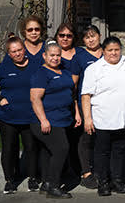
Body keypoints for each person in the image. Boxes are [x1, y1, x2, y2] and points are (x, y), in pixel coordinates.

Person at [0, 36, 41, 194]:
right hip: (8, 117)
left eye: (20, 50)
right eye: (13, 51)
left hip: (30, 116)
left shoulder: (36, 65)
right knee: (9, 149)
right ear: (9, 53)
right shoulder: (2, 68)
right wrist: (0, 99)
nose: (18, 54)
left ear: (24, 49)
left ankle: (33, 179)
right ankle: (10, 180)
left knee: (31, 148)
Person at [80, 36, 125, 196]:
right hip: (102, 118)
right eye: (110, 50)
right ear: (103, 51)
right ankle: (103, 182)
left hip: (122, 117)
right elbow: (86, 95)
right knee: (102, 152)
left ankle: (116, 180)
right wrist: (87, 118)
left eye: (117, 50)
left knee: (119, 150)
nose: (114, 53)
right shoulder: (94, 69)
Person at [30, 41, 78, 199]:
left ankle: (46, 184)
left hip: (63, 119)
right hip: (46, 121)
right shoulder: (41, 74)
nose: (55, 58)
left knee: (49, 152)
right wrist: (44, 120)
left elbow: (72, 94)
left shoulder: (64, 71)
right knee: (61, 148)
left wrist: (76, 113)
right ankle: (54, 187)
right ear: (44, 56)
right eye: (52, 55)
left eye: (58, 55)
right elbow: (35, 99)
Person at [70, 25, 103, 189]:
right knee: (86, 138)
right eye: (87, 37)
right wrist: (76, 110)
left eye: (93, 36)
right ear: (83, 40)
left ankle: (99, 169)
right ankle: (86, 172)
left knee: (101, 138)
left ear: (99, 35)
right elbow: (74, 86)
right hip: (86, 104)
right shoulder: (80, 57)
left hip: (105, 105)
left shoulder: (108, 52)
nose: (91, 39)